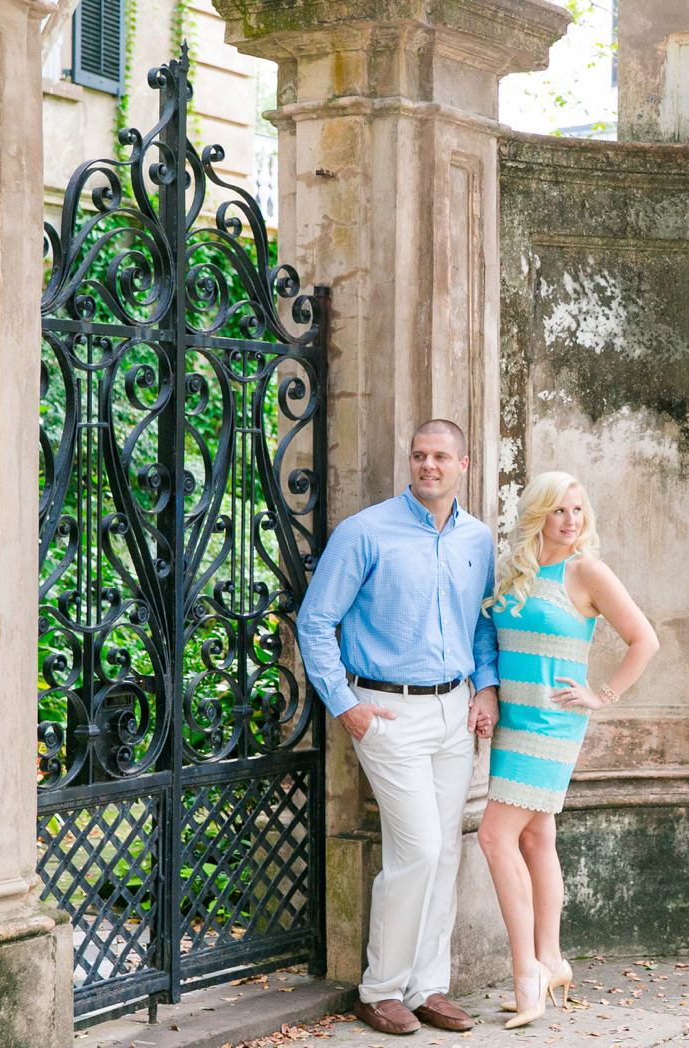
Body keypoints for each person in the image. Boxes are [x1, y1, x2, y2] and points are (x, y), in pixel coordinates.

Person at [297, 419, 500, 1036]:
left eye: (440, 457)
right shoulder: (366, 532)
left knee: (443, 855)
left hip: (454, 712)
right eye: (418, 456)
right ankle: (379, 988)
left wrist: (485, 687)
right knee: (417, 848)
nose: (427, 466)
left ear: (463, 464)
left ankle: (426, 986)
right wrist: (346, 706)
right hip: (385, 712)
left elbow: (481, 624)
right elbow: (315, 621)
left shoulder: (478, 539)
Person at [476, 471, 659, 1029]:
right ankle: (551, 958)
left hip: (552, 725)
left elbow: (644, 639)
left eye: (578, 510)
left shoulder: (587, 571)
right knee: (535, 835)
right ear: (538, 515)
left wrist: (600, 695)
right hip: (513, 722)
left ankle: (525, 971)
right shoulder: (515, 571)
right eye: (559, 511)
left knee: (492, 835)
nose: (571, 521)